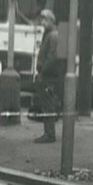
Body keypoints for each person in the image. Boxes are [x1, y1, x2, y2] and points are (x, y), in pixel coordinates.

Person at [32, 8, 62, 143]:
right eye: (41, 19)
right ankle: (48, 132)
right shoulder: (50, 34)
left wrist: (43, 71)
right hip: (47, 74)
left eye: (45, 19)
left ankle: (49, 134)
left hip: (48, 76)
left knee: (48, 105)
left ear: (51, 20)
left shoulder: (53, 35)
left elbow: (52, 57)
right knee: (47, 104)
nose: (42, 22)